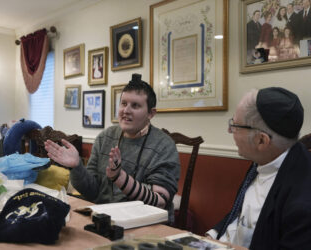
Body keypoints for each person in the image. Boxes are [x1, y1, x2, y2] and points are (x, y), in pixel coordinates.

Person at [44, 74, 180, 221]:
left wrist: (120, 178)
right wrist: (76, 167)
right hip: (104, 219)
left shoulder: (164, 146)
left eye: (135, 105)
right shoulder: (105, 137)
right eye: (123, 103)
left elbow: (160, 202)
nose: (126, 110)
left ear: (151, 113)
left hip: (146, 224)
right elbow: (92, 192)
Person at [206, 87, 311, 249]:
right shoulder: (265, 159)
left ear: (261, 141)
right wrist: (211, 236)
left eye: (235, 125)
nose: (229, 130)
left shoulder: (302, 199)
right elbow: (242, 212)